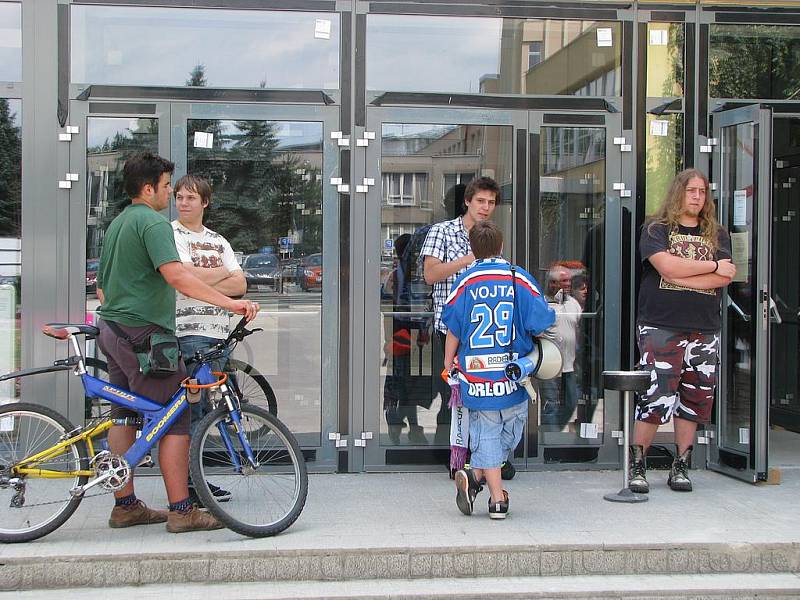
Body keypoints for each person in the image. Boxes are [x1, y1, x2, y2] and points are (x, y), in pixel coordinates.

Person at [96, 152, 258, 533]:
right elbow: (178, 277)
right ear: (148, 187)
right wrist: (231, 302)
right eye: (168, 186)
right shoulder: (152, 224)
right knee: (176, 416)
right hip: (145, 336)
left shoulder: (119, 223)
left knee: (125, 415)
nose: (171, 194)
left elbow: (102, 288)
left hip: (113, 332)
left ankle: (126, 505)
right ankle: (182, 510)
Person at [630, 168, 735, 493]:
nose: (697, 196)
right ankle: (638, 465)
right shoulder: (656, 228)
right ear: (679, 192)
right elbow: (667, 267)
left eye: (702, 192)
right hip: (660, 325)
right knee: (655, 396)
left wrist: (685, 274)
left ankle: (681, 466)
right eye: (691, 190)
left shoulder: (718, 234)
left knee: (696, 397)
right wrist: (710, 265)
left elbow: (725, 277)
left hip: (704, 328)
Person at [442, 221, 555, 518]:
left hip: (477, 375)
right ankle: (497, 498)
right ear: (502, 246)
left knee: (490, 433)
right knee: (507, 429)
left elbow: (454, 327)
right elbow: (542, 320)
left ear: (472, 249)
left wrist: (447, 361)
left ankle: (476, 473)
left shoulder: (464, 281)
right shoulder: (519, 278)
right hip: (513, 373)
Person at [172, 174, 246, 503]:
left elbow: (240, 284)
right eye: (179, 197)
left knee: (206, 413)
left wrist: (198, 281)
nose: (183, 203)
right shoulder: (169, 234)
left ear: (205, 202)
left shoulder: (218, 240)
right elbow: (181, 278)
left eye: (190, 198)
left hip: (218, 335)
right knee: (195, 413)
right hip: (187, 333)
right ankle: (191, 488)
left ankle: (195, 483)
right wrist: (219, 276)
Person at [421, 177, 500, 459]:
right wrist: (468, 259)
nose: (485, 207)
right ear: (467, 201)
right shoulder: (442, 232)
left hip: (484, 331)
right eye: (480, 201)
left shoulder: (491, 234)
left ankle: (485, 458)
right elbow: (430, 275)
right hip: (449, 327)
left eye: (491, 203)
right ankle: (454, 457)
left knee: (485, 396)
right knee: (452, 396)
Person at [540, 264, 583, 432]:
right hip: (549, 365)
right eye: (563, 281)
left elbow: (578, 327)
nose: (568, 284)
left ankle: (555, 433)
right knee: (550, 406)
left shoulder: (573, 303)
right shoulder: (543, 303)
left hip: (569, 365)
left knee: (571, 402)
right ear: (552, 283)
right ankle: (549, 445)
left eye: (569, 280)